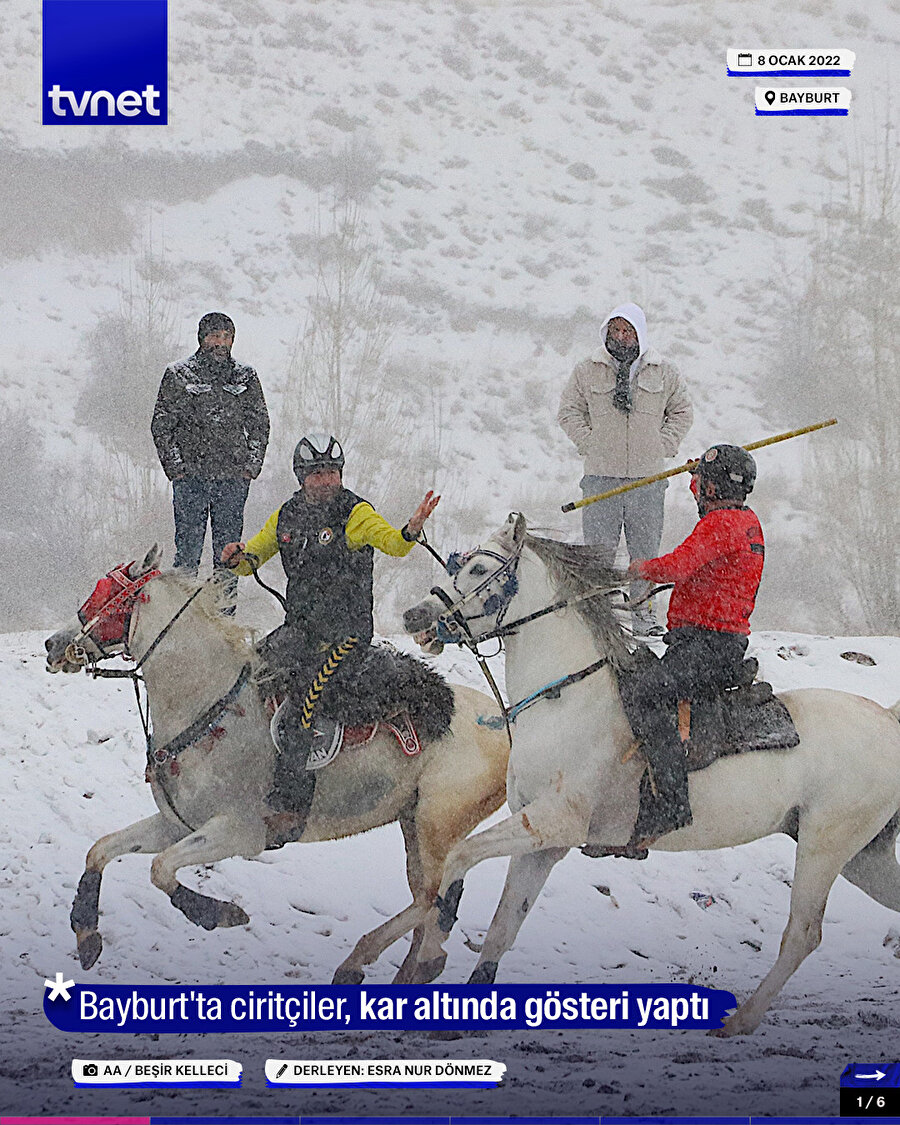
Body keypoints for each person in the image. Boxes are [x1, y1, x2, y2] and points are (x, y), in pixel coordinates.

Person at [221, 433, 440, 789]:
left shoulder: (355, 513)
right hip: (299, 631)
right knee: (248, 676)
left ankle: (290, 800)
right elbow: (251, 559)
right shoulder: (286, 515)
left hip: (346, 636)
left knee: (304, 702)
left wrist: (411, 529)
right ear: (301, 476)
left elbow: (395, 544)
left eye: (332, 472)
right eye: (317, 473)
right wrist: (235, 558)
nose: (326, 481)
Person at [623, 444, 764, 847]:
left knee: (645, 695)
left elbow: (677, 566)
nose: (695, 490)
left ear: (714, 489)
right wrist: (696, 472)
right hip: (711, 642)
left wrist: (639, 569)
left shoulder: (720, 524)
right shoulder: (745, 520)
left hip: (706, 645)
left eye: (701, 484)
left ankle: (670, 802)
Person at [557, 302, 693, 636]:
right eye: (615, 330)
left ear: (639, 334)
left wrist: (663, 446)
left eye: (627, 330)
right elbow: (569, 411)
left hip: (648, 480)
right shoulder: (587, 370)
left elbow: (682, 412)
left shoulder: (664, 371)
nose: (621, 336)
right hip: (600, 479)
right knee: (599, 555)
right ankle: (602, 619)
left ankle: (643, 618)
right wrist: (590, 444)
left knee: (644, 555)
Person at [151, 312, 269, 590]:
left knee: (229, 557)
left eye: (227, 337)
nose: (221, 342)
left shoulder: (245, 376)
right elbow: (161, 424)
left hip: (232, 480)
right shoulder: (179, 374)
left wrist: (250, 467)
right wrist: (176, 469)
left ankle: (222, 622)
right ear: (202, 338)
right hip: (191, 479)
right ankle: (183, 622)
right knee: (187, 556)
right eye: (215, 336)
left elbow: (260, 424)